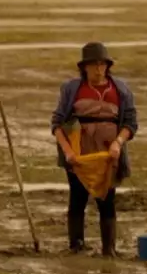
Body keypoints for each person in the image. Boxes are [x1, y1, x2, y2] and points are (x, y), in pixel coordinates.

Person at [50, 42, 137, 256]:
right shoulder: (72, 89)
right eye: (94, 65)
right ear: (84, 67)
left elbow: (130, 123)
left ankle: (109, 248)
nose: (99, 69)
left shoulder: (121, 90)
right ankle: (76, 246)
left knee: (107, 200)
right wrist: (68, 152)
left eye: (103, 64)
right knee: (77, 198)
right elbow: (58, 124)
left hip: (109, 154)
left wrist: (118, 143)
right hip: (79, 153)